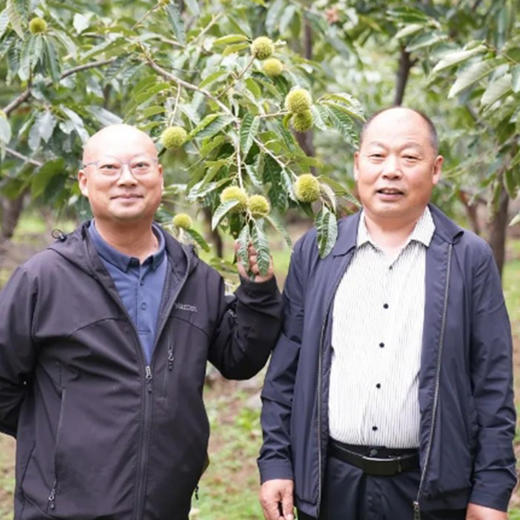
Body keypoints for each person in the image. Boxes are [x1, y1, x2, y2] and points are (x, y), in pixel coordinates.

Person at [0, 124, 283, 520]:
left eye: (140, 166)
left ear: (160, 178)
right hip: (62, 508)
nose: (127, 179)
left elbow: (239, 359)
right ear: (85, 181)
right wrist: (60, 438)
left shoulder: (194, 277)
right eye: (110, 168)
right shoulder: (43, 278)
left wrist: (258, 290)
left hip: (164, 505)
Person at [258, 107, 516, 520]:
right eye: (378, 156)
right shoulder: (318, 250)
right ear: (358, 164)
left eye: (409, 158)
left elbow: (493, 384)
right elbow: (285, 370)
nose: (391, 171)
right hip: (330, 484)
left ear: (435, 169)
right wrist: (276, 462)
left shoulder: (467, 259)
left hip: (428, 490)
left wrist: (490, 491)